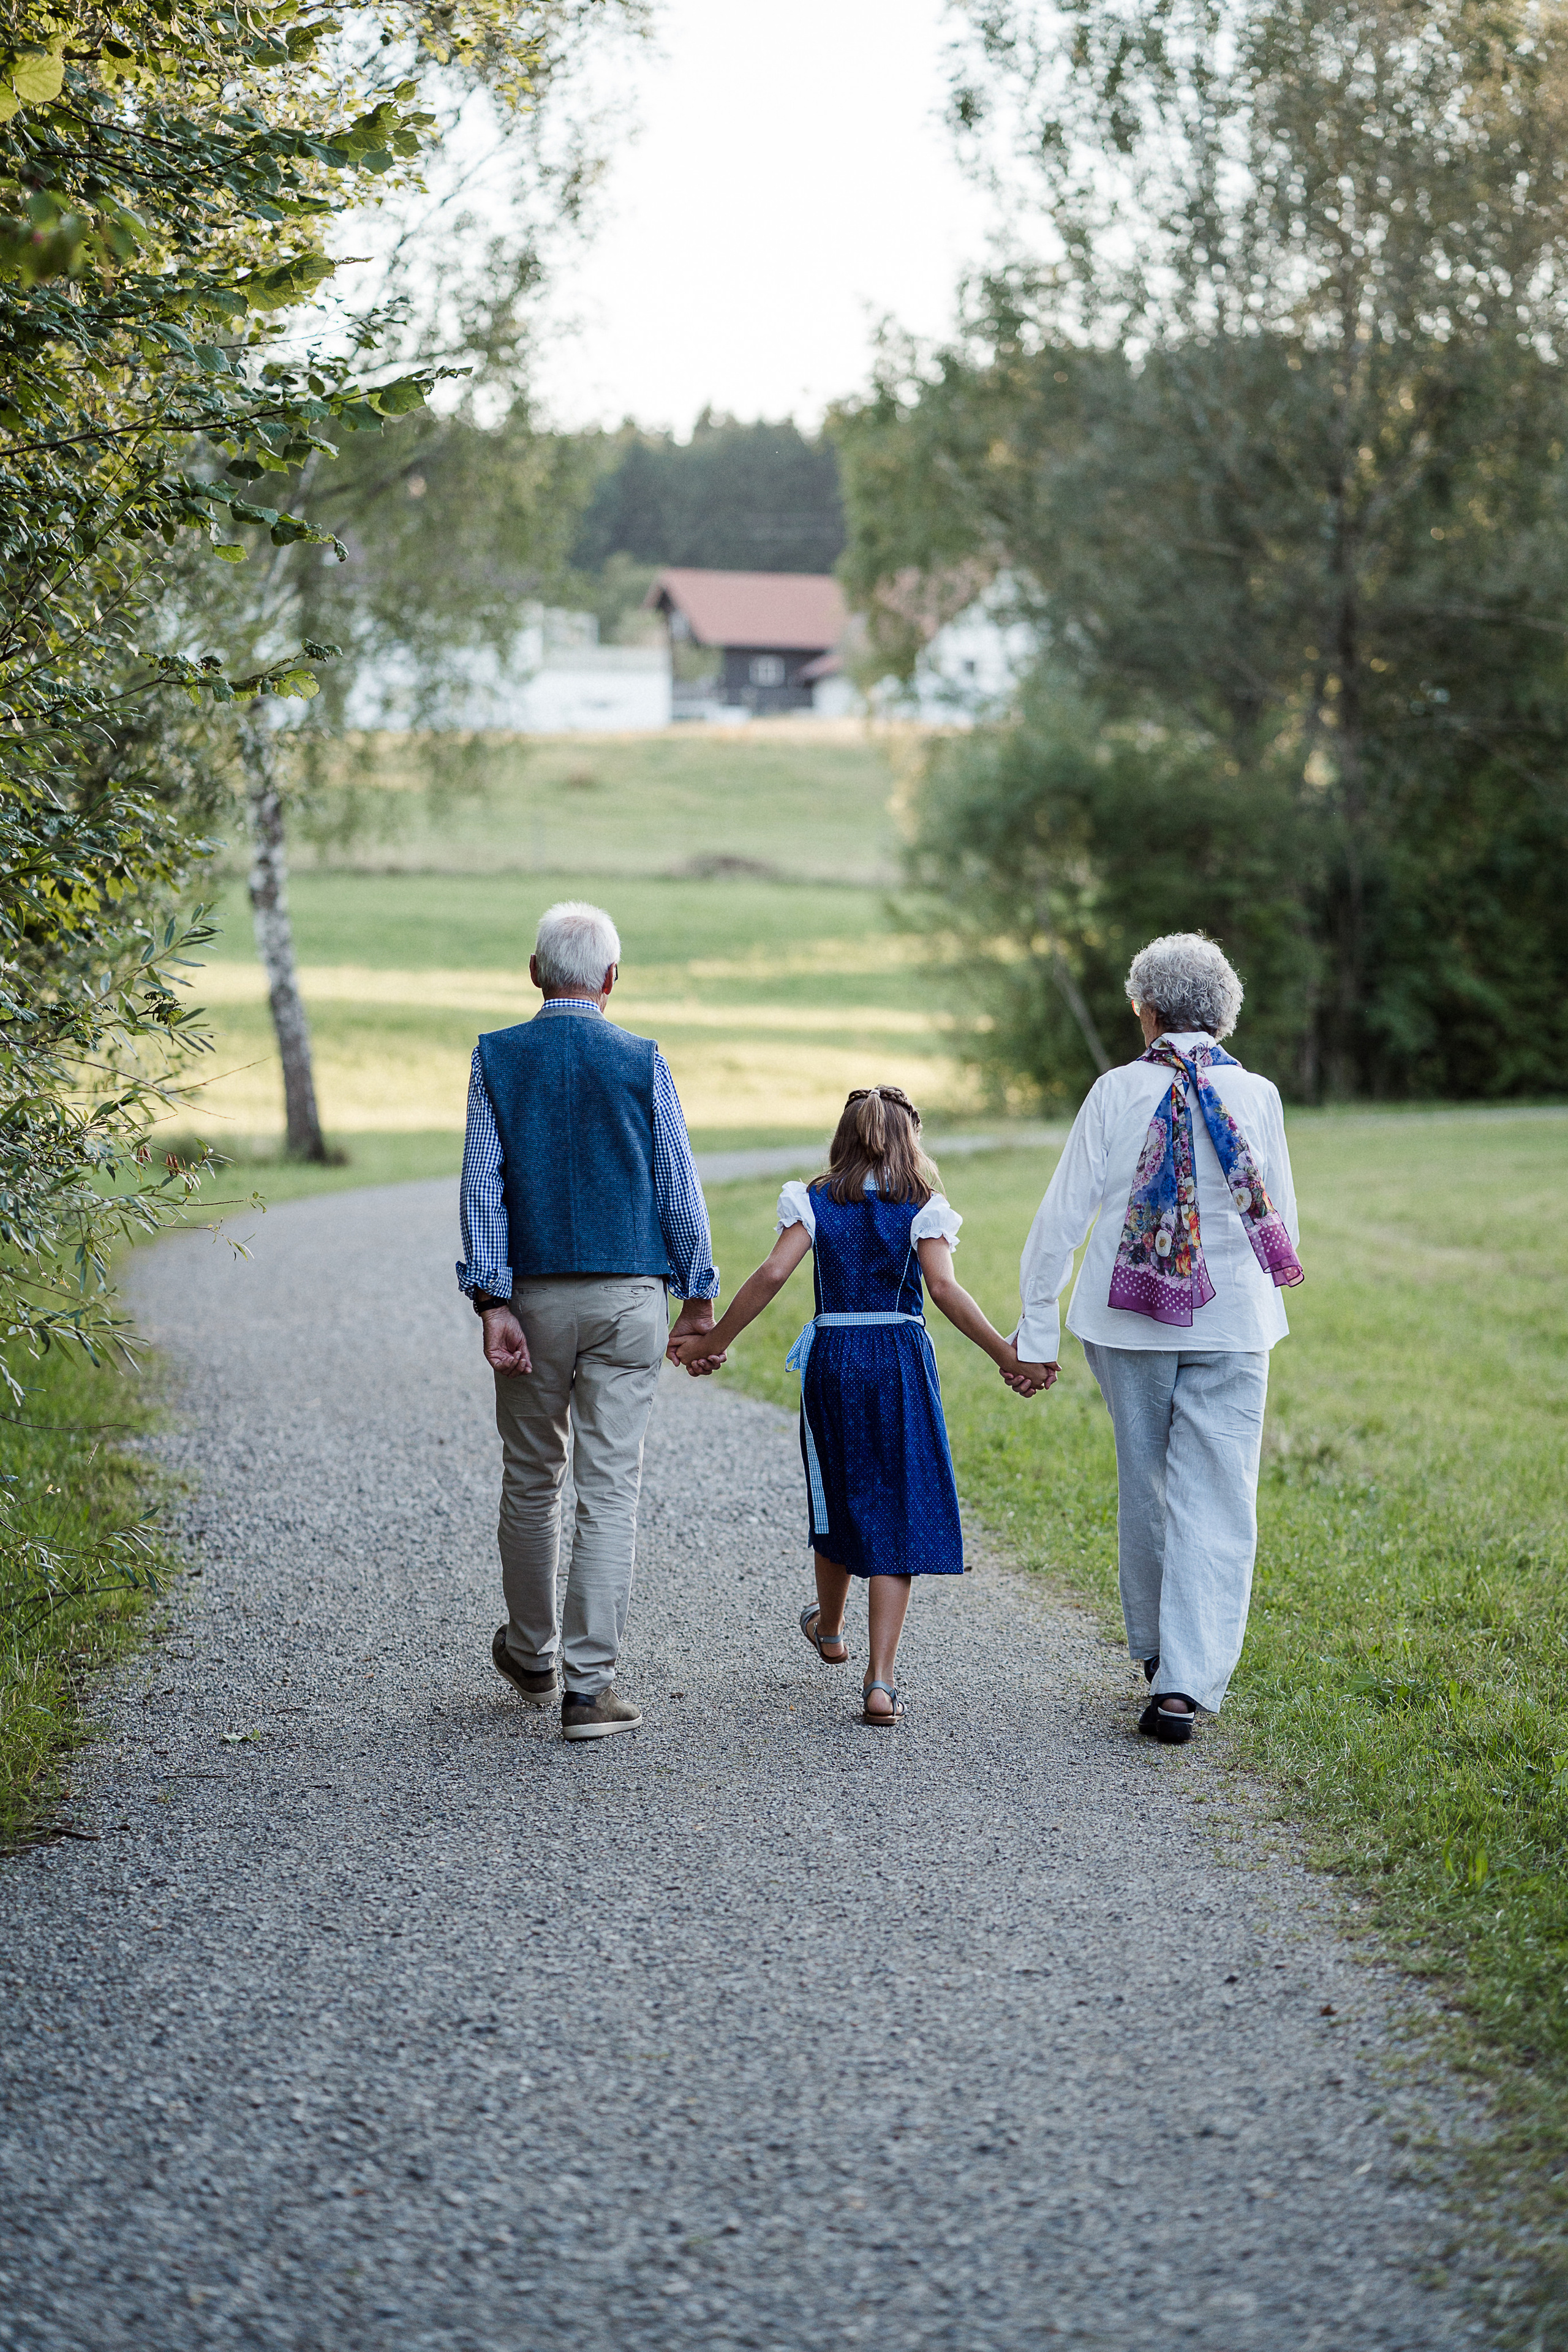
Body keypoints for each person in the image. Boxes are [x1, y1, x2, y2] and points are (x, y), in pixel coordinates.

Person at [1007, 932, 1301, 1744]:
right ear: (1223, 1015)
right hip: (1236, 1320)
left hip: (1127, 1319)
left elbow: (1062, 1219)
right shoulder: (1260, 1098)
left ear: (1147, 1011)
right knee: (1220, 1496)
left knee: (1148, 1486)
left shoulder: (1117, 1091)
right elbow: (1283, 1219)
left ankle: (1163, 1657)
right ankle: (1184, 1685)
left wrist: (1037, 1330)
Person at [675, 1085, 1049, 1723]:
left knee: (839, 1491)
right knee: (896, 1503)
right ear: (911, 1140)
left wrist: (716, 1340)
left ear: (843, 1138)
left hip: (836, 1360)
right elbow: (944, 1290)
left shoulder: (815, 1199)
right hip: (900, 1360)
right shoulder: (923, 1206)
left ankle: (829, 1628)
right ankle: (880, 1681)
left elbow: (770, 1275)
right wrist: (1005, 1354)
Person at [457, 899, 723, 1743]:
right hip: (628, 1298)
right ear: (612, 981)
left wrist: (492, 1297)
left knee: (532, 1478)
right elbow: (677, 1184)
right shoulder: (641, 1058)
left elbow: (481, 1186)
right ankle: (588, 1690)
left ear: (536, 973)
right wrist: (700, 1293)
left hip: (532, 1298)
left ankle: (531, 1655)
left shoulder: (496, 1058)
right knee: (610, 1488)